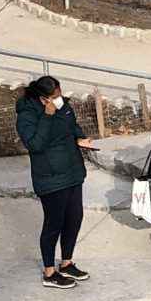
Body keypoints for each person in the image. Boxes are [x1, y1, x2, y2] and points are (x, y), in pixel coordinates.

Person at [16, 76, 96, 288]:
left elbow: (71, 124)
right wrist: (47, 117)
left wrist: (81, 137)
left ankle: (67, 263)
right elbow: (35, 144)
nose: (60, 99)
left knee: (75, 217)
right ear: (44, 99)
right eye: (55, 97)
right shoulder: (27, 115)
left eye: (60, 94)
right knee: (54, 223)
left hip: (72, 171)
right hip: (51, 178)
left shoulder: (63, 106)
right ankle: (49, 272)